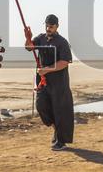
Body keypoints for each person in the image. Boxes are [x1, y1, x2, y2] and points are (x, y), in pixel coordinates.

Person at [24, 14, 74, 150]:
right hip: (43, 81)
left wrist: (46, 70)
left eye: (51, 26)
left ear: (57, 26)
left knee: (60, 110)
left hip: (59, 83)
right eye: (47, 26)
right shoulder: (40, 38)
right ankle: (56, 129)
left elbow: (64, 62)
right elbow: (29, 47)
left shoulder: (62, 42)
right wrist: (28, 37)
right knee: (41, 105)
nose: (48, 28)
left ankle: (61, 141)